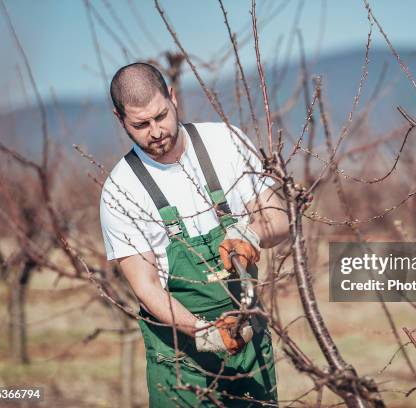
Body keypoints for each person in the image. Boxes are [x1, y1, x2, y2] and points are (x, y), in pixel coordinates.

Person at [99, 62, 287, 407]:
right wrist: (204, 333)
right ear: (120, 119)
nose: (155, 131)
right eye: (140, 124)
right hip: (180, 361)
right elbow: (146, 287)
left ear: (173, 97)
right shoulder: (121, 190)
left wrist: (250, 234)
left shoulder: (225, 142)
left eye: (161, 116)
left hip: (248, 342)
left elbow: (278, 218)